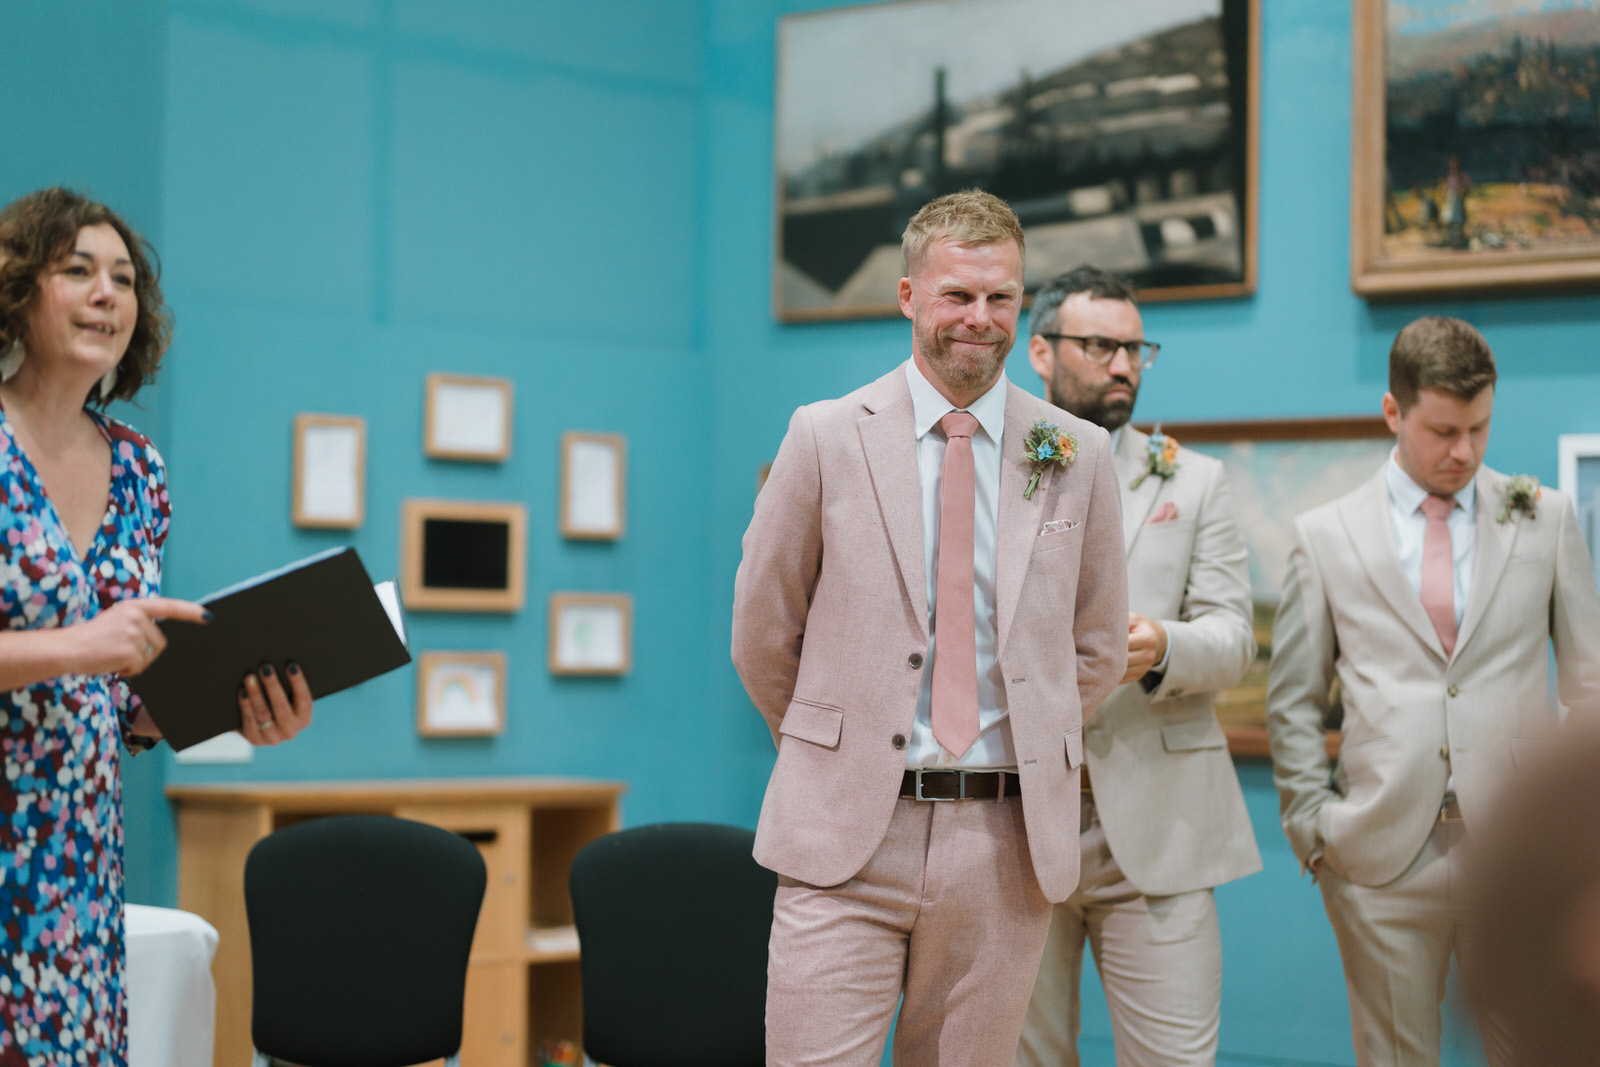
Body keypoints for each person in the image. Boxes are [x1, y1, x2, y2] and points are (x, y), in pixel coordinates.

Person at [732, 190, 1127, 1065]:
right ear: (910, 296)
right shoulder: (825, 436)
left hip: (1004, 844)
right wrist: (835, 747)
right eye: (957, 295)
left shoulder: (1075, 453)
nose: (979, 319)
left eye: (1001, 298)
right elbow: (763, 631)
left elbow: (1096, 647)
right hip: (844, 840)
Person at [0, 187, 314, 1065]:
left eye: (125, 279)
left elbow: (122, 699)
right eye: (78, 271)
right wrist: (78, 646)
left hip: (78, 873)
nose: (108, 294)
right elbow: (91, 652)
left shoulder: (139, 471)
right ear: (20, 289)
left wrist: (229, 704)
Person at [1266, 315, 1600, 1067]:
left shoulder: (1543, 516)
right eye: (1444, 430)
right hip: (1377, 857)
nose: (1465, 451)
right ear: (1394, 412)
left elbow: (1590, 685)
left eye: (1480, 428)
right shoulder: (1326, 534)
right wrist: (1313, 828)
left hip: (1514, 857)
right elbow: (1291, 698)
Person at [1017, 267, 1260, 1067]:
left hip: (1162, 826)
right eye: (1101, 346)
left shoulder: (1193, 480)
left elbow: (1236, 639)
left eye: (1135, 348)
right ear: (1041, 352)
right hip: (1013, 824)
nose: (1124, 365)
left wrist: (1163, 645)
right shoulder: (988, 470)